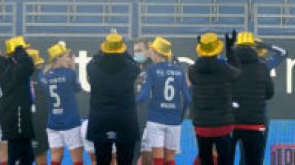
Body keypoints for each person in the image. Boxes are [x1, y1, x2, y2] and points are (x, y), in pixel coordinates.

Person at [229, 34, 285, 165]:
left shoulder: (230, 63)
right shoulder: (264, 65)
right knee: (255, 156)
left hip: (234, 115)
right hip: (258, 114)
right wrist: (265, 45)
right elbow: (283, 52)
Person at [86, 33, 140, 165]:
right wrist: (124, 52)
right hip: (124, 120)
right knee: (126, 161)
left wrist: (101, 52)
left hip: (101, 120)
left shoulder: (93, 67)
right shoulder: (130, 68)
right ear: (121, 49)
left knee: (102, 161)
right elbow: (135, 65)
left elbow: (93, 60)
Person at [187, 34, 238, 165]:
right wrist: (230, 50)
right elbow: (238, 72)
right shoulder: (226, 70)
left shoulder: (192, 71)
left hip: (201, 125)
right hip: (223, 125)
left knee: (205, 159)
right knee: (226, 160)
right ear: (217, 50)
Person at [136, 38, 187, 165]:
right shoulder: (179, 70)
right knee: (170, 159)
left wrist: (128, 104)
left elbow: (144, 95)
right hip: (174, 120)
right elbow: (187, 97)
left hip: (156, 118)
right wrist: (181, 116)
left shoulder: (152, 70)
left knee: (157, 159)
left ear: (155, 52)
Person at [0, 38, 36, 165]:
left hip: (17, 112)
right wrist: (20, 52)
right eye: (24, 50)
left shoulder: (7, 66)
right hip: (16, 113)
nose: (26, 53)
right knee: (17, 152)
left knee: (26, 154)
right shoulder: (11, 69)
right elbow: (29, 67)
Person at [42, 43, 85, 165]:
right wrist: (71, 68)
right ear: (58, 58)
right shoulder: (69, 73)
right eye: (67, 56)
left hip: (53, 122)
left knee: (55, 158)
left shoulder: (44, 75)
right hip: (70, 122)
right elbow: (78, 88)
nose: (70, 59)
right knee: (77, 159)